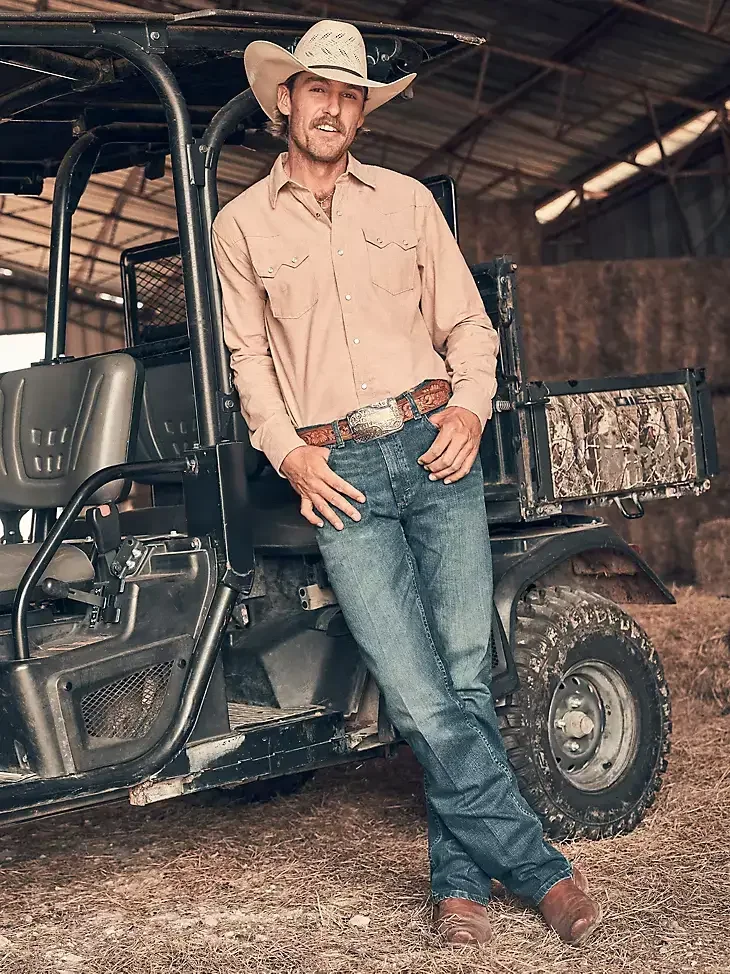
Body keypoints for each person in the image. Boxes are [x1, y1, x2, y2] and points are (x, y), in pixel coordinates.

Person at [212, 19, 602, 948]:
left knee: (465, 672)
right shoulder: (241, 226)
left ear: (362, 113)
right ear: (286, 102)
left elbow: (468, 325)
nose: (335, 107)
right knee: (416, 688)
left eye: (351, 95)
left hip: (434, 445)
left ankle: (458, 884)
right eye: (319, 91)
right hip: (337, 467)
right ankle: (542, 869)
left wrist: (470, 408)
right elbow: (247, 359)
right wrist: (290, 453)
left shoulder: (408, 205)